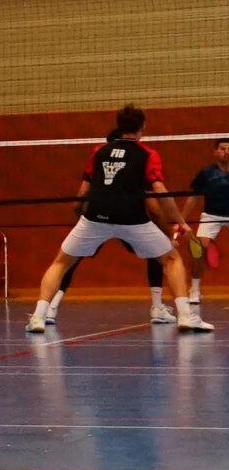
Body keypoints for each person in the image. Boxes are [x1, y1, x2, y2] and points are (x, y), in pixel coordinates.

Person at [26, 107, 210, 334]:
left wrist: (79, 215)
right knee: (172, 259)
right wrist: (180, 221)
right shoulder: (147, 154)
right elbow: (160, 191)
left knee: (61, 263)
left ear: (119, 125)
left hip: (95, 217)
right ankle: (185, 316)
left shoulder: (99, 152)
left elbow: (84, 192)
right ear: (143, 126)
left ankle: (38, 317)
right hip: (132, 219)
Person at [186, 138, 229, 307]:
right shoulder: (206, 173)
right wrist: (181, 219)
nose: (226, 152)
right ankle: (194, 289)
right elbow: (193, 197)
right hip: (211, 215)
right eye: (222, 149)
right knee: (198, 250)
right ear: (215, 152)